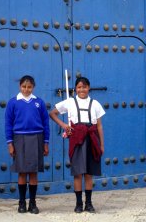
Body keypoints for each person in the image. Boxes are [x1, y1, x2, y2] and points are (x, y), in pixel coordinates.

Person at [50, 76, 105, 213]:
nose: (82, 89)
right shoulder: (70, 102)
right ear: (75, 89)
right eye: (79, 87)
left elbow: (99, 126)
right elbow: (52, 113)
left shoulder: (95, 104)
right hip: (77, 140)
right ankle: (79, 203)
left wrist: (101, 145)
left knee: (89, 173)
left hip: (92, 139)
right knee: (78, 173)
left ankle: (89, 203)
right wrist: (63, 125)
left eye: (85, 87)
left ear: (89, 88)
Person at [5, 75, 50, 214]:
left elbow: (45, 123)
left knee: (33, 172)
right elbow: (8, 124)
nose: (26, 89)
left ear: (33, 87)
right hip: (20, 139)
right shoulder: (13, 102)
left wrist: (45, 142)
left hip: (37, 137)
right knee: (22, 172)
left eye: (29, 87)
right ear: (20, 86)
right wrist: (10, 143)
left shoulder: (39, 102)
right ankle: (22, 202)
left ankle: (33, 203)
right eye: (24, 86)